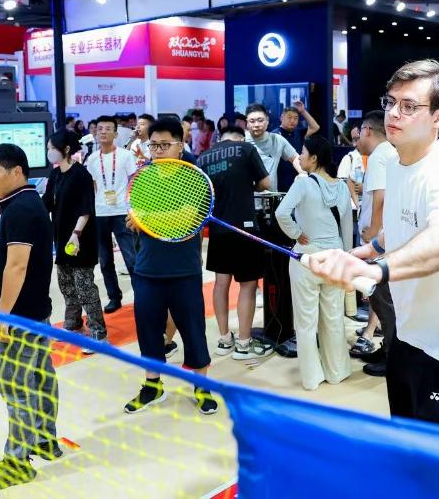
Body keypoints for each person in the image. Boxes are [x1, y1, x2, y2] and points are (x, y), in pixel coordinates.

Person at [307, 59, 439, 431]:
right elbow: (400, 228)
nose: (393, 113)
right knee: (405, 438)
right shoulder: (394, 163)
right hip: (408, 333)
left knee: (438, 457)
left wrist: (375, 271)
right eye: (391, 102)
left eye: (409, 106)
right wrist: (365, 252)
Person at [0, 143, 58, 492]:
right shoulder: (27, 202)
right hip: (37, 311)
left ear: (17, 171)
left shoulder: (20, 209)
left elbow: (17, 266)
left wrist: (3, 316)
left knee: (16, 387)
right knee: (40, 377)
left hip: (20, 317)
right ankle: (45, 439)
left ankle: (17, 462)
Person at [123, 118, 218, 415]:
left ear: (180, 145)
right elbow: (135, 218)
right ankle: (152, 386)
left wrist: (146, 219)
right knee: (148, 330)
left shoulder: (194, 178)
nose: (159, 151)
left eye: (165, 145)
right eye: (154, 145)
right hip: (147, 269)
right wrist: (145, 220)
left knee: (194, 330)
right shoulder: (142, 178)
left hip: (184, 270)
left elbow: (187, 218)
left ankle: (201, 387)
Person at [275, 135, 353, 390]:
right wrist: (347, 258)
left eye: (303, 152)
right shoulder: (342, 187)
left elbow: (281, 213)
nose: (300, 156)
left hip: (306, 258)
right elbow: (347, 227)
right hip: (335, 258)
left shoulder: (303, 183)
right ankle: (337, 372)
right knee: (333, 318)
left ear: (315, 158)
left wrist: (296, 233)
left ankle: (311, 378)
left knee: (306, 322)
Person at [197, 126, 270, 360]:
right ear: (240, 138)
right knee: (248, 285)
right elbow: (266, 183)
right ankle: (244, 344)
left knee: (221, 284)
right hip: (244, 228)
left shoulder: (203, 158)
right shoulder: (246, 149)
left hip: (218, 229)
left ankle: (224, 339)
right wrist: (249, 186)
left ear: (220, 138)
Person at [43, 130, 105, 354]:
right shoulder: (55, 174)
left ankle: (98, 333)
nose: (49, 152)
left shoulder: (81, 175)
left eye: (52, 148)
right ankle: (73, 324)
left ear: (66, 149)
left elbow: (86, 208)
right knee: (66, 285)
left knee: (84, 286)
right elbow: (47, 203)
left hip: (81, 239)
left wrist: (76, 234)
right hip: (61, 239)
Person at [350, 110, 400, 376]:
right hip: (383, 238)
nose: (357, 138)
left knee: (383, 299)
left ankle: (393, 356)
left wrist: (372, 231)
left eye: (359, 132)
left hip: (379, 241)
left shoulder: (381, 155)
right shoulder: (387, 153)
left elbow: (380, 196)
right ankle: (388, 348)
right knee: (381, 299)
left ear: (367, 130)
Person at [85, 115, 138, 313]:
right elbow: (92, 187)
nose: (103, 132)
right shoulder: (91, 159)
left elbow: (134, 182)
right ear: (95, 133)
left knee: (131, 258)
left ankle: (141, 296)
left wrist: (133, 208)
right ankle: (114, 297)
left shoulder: (125, 156)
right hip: (100, 213)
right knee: (105, 260)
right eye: (100, 129)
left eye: (108, 129)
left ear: (115, 134)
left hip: (122, 211)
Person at [244, 104, 300, 190]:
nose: (256, 125)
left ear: (267, 121)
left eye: (260, 120)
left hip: (271, 196)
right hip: (247, 195)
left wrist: (302, 173)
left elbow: (295, 157)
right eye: (252, 121)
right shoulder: (241, 141)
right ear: (247, 123)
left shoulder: (277, 139)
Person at [272, 101, 320, 192]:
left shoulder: (299, 133)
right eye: (289, 117)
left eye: (296, 118)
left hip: (299, 175)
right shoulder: (274, 135)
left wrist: (303, 111)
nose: (292, 120)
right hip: (280, 177)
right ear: (282, 118)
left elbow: (315, 127)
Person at [336, 123, 364, 209]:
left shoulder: (378, 157)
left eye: (357, 139)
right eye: (353, 140)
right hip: (354, 211)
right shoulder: (349, 158)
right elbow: (341, 189)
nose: (354, 144)